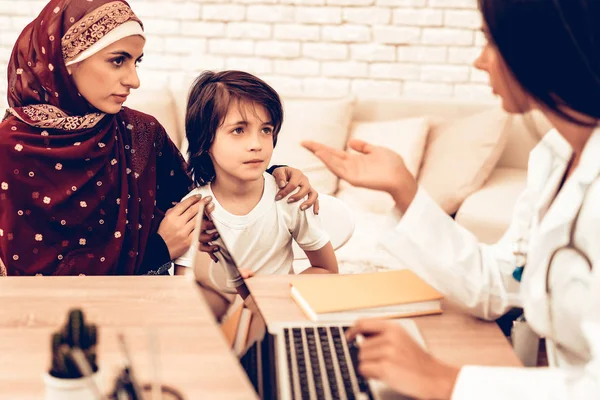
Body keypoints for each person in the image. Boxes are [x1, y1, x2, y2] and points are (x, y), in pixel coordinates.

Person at [303, 0, 600, 398]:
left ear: (538, 45)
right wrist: (403, 189)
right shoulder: (555, 155)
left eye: (490, 42)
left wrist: (445, 381)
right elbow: (499, 284)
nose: (480, 62)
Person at [0, 0, 318, 276]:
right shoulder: (6, 151)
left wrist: (275, 174)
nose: (134, 80)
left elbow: (202, 192)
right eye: (117, 60)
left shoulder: (141, 135)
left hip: (142, 317)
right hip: (34, 330)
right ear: (63, 61)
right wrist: (158, 249)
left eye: (136, 62)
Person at [174, 70, 338, 315]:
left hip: (280, 318)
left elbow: (327, 271)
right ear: (205, 141)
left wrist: (268, 294)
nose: (257, 144)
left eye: (266, 130)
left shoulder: (289, 196)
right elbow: (185, 295)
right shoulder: (194, 210)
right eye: (239, 130)